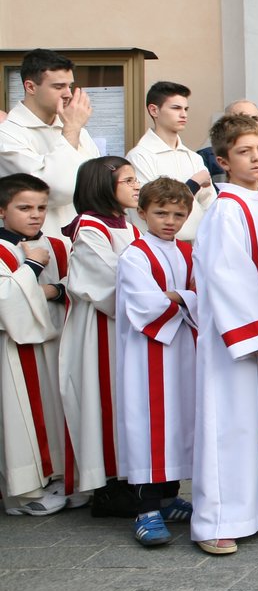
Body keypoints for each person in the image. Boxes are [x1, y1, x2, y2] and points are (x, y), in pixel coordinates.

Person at [190, 113, 258, 555]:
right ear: (223, 161)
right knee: (229, 425)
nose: (256, 158)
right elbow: (226, 274)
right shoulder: (225, 209)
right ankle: (215, 520)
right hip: (240, 342)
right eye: (245, 152)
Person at [114, 178, 199, 548]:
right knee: (152, 426)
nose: (170, 220)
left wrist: (179, 296)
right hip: (148, 352)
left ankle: (168, 498)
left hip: (184, 351)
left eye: (178, 214)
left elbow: (202, 295)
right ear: (142, 212)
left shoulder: (188, 251)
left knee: (181, 421)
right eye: (161, 213)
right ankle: (146, 509)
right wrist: (183, 299)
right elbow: (144, 304)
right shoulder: (135, 254)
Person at [59, 157, 142, 507]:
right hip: (101, 330)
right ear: (104, 186)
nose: (137, 185)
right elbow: (109, 283)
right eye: (129, 180)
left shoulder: (129, 224)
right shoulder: (91, 228)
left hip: (129, 326)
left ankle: (132, 480)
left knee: (127, 401)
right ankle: (108, 488)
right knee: (103, 398)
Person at [0, 174, 68, 518]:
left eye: (41, 207)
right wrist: (32, 267)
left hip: (53, 344)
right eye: (24, 208)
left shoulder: (57, 245)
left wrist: (53, 290)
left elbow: (74, 286)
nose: (36, 215)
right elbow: (6, 302)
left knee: (54, 410)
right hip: (12, 350)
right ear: (2, 210)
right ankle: (22, 494)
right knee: (18, 419)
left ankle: (55, 475)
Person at [0, 49, 99, 237]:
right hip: (37, 246)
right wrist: (71, 130)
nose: (68, 94)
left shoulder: (77, 129)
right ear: (30, 87)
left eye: (70, 86)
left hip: (84, 239)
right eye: (58, 86)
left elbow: (98, 187)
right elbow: (53, 190)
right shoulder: (8, 134)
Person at [127, 81, 215, 240]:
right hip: (158, 248)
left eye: (186, 109)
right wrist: (193, 183)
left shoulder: (193, 157)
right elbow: (151, 206)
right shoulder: (140, 156)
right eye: (176, 108)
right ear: (154, 110)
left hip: (196, 247)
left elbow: (210, 204)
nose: (184, 114)